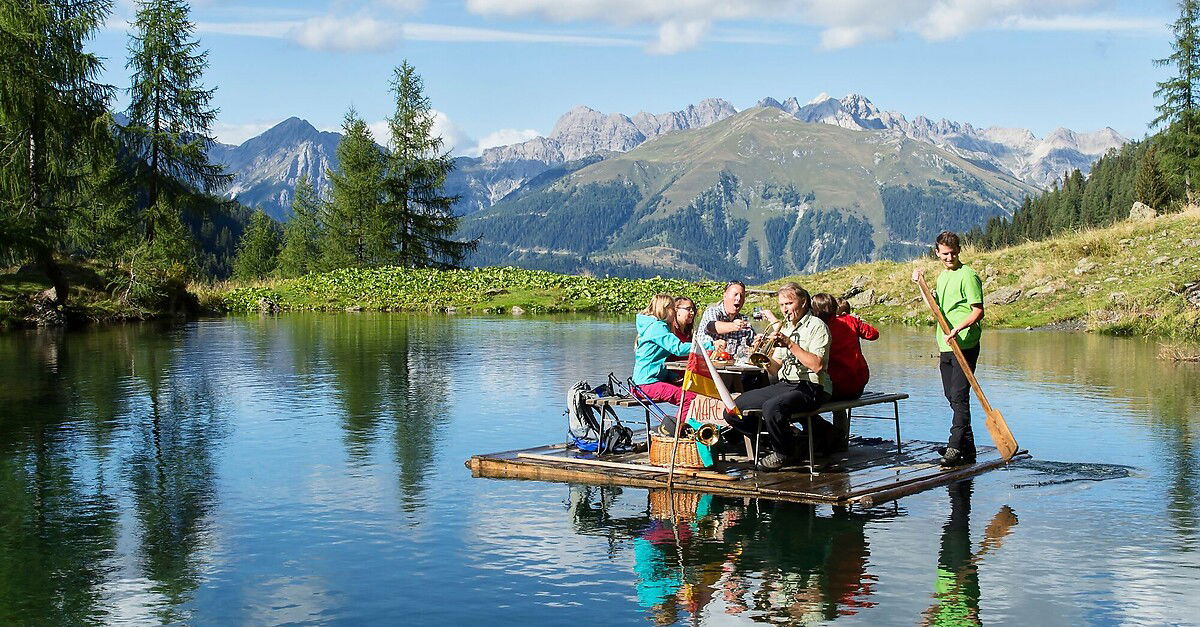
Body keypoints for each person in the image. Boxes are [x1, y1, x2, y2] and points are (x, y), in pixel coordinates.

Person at [724, 282, 835, 471]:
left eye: (789, 304)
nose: (785, 309)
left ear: (803, 302)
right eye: (782, 305)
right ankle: (785, 443)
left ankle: (784, 453)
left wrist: (790, 344)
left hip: (812, 386)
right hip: (786, 383)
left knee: (772, 407)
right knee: (733, 409)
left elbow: (818, 365)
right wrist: (760, 356)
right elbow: (775, 369)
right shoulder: (787, 328)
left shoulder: (817, 326)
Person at [912, 230, 984, 467]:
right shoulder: (942, 277)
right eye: (944, 254)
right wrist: (921, 286)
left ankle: (954, 447)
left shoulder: (968, 275)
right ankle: (968, 445)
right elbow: (935, 309)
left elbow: (977, 311)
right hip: (945, 344)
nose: (949, 258)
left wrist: (958, 329)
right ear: (937, 253)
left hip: (965, 344)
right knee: (951, 396)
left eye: (952, 253)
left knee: (960, 397)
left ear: (959, 251)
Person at [634, 294, 718, 432]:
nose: (674, 312)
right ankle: (678, 433)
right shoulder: (657, 327)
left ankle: (686, 428)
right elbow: (678, 348)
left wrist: (673, 377)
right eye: (673, 308)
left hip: (649, 380)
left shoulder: (654, 326)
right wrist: (709, 345)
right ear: (666, 309)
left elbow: (658, 360)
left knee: (694, 391)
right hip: (647, 383)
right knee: (688, 399)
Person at [811, 293, 880, 452]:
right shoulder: (850, 321)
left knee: (805, 399)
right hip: (857, 386)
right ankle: (840, 441)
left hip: (835, 388)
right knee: (839, 405)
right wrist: (857, 321)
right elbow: (874, 334)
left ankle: (827, 436)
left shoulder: (818, 328)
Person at [667, 296, 697, 362]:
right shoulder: (669, 332)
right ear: (676, 310)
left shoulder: (688, 332)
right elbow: (679, 349)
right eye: (688, 309)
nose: (692, 312)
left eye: (693, 309)